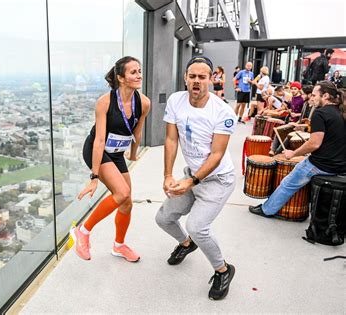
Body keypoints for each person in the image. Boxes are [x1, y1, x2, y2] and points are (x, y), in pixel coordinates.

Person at [155, 56, 237, 300]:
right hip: (191, 174)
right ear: (185, 78)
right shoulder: (175, 100)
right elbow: (171, 139)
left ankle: (223, 270)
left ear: (211, 80)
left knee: (197, 227)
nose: (197, 81)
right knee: (163, 218)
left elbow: (217, 154)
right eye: (192, 76)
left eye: (202, 77)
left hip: (218, 179)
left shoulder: (223, 111)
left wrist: (191, 182)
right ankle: (185, 243)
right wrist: (168, 175)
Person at [71, 56, 151, 262]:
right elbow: (99, 140)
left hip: (116, 153)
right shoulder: (105, 102)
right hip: (96, 150)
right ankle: (83, 231)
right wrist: (94, 176)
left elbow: (137, 132)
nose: (139, 75)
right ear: (121, 78)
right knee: (122, 192)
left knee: (127, 203)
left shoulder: (144, 103)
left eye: (139, 71)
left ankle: (119, 245)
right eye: (133, 72)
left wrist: (133, 154)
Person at [249, 81, 346, 217]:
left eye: (314, 95)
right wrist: (306, 128)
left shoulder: (320, 113)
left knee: (287, 183)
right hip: (340, 166)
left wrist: (292, 153)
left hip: (321, 165)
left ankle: (267, 210)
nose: (311, 98)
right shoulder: (341, 112)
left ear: (325, 96)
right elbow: (333, 133)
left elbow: (314, 144)